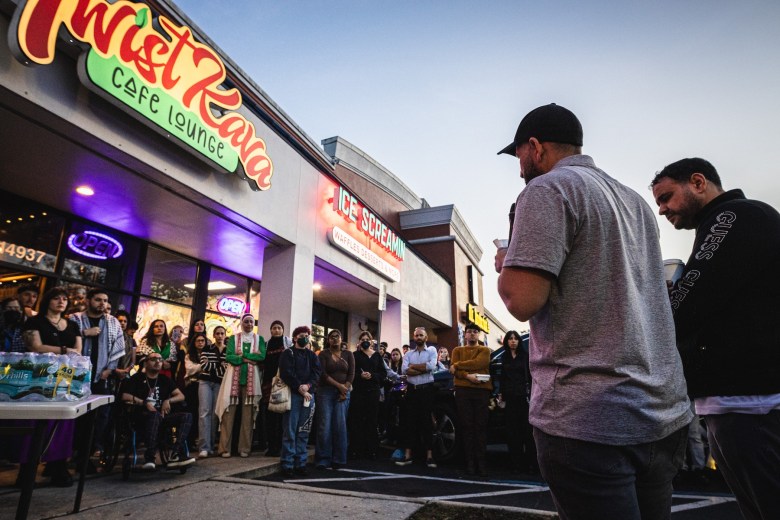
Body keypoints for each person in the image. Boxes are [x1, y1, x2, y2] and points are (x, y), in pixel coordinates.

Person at [495, 103, 692, 519]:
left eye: (519, 156)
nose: (520, 168)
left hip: (589, 419)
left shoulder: (547, 189)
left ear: (536, 147)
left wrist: (509, 261)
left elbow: (520, 300)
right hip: (661, 412)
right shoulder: (635, 202)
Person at [651, 157, 780, 520]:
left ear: (698, 182)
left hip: (751, 404)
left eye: (666, 197)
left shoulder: (732, 216)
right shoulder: (731, 221)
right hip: (745, 402)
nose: (662, 210)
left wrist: (663, 303)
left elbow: (692, 297)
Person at [20, 287, 82, 486]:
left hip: (65, 378)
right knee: (35, 422)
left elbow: (78, 350)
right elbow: (35, 347)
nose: (61, 301)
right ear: (48, 300)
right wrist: (64, 350)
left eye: (64, 299)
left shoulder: (72, 325)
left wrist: (67, 352)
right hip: (38, 377)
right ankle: (27, 468)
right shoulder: (34, 322)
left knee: (64, 422)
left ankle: (57, 466)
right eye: (56, 298)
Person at [69, 289, 125, 457]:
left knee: (100, 415)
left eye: (105, 300)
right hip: (76, 376)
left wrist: (109, 369)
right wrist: (84, 333)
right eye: (98, 299)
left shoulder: (113, 321)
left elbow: (118, 346)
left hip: (101, 375)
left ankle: (93, 448)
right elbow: (65, 340)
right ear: (88, 301)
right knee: (76, 413)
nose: (102, 303)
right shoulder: (75, 318)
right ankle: (72, 448)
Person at [121, 353, 195, 469]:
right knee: (154, 415)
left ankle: (175, 453)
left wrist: (168, 400)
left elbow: (181, 396)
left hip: (162, 416)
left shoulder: (164, 379)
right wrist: (144, 403)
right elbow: (125, 396)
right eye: (153, 359)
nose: (157, 362)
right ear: (146, 363)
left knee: (187, 416)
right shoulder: (137, 378)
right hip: (142, 417)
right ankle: (150, 457)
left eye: (160, 359)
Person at [216, 313, 265, 458]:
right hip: (232, 380)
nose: (249, 324)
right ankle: (225, 449)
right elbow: (229, 356)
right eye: (246, 322)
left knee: (248, 416)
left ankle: (245, 448)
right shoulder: (233, 338)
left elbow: (262, 356)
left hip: (251, 381)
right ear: (241, 323)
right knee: (228, 414)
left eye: (251, 322)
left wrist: (242, 356)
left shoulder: (259, 339)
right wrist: (249, 359)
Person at [278, 325, 321, 476]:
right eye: (302, 335)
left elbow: (317, 373)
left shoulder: (312, 355)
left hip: (308, 396)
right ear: (295, 338)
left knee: (304, 430)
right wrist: (300, 388)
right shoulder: (288, 353)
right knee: (290, 430)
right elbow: (286, 373)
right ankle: (287, 464)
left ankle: (300, 463)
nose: (305, 338)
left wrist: (308, 386)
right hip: (293, 395)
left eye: (307, 336)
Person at [450, 322, 492, 476]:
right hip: (463, 391)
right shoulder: (457, 350)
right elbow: (453, 371)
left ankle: (481, 463)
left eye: (475, 331)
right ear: (465, 334)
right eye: (470, 331)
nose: (472, 334)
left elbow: (479, 363)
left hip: (481, 391)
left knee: (480, 427)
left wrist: (457, 365)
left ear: (478, 334)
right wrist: (467, 376)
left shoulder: (485, 350)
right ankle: (470, 463)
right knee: (466, 426)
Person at [396, 327, 438, 468]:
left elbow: (431, 366)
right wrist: (423, 369)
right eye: (416, 335)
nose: (418, 337)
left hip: (427, 390)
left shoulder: (432, 350)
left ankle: (430, 456)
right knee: (410, 423)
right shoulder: (408, 354)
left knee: (427, 423)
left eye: (421, 335)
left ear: (426, 337)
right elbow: (404, 370)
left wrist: (413, 367)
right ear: (413, 337)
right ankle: (408, 455)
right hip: (412, 391)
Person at [497, 330, 536, 473]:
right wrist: (501, 395)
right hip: (510, 398)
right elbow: (502, 378)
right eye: (510, 339)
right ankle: (516, 464)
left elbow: (531, 377)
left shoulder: (525, 356)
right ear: (506, 341)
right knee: (513, 433)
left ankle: (531, 464)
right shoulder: (505, 357)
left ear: (519, 341)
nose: (513, 341)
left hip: (524, 398)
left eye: (515, 339)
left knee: (527, 433)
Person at [315, 329, 354, 470]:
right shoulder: (323, 354)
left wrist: (345, 389)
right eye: (332, 337)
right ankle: (323, 459)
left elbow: (351, 374)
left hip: (343, 393)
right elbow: (323, 374)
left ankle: (339, 458)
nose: (335, 339)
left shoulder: (348, 354)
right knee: (325, 425)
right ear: (328, 340)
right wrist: (340, 387)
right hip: (325, 392)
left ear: (341, 339)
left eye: (337, 336)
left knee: (340, 425)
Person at [347, 331, 385, 460]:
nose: (365, 341)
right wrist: (360, 376)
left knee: (372, 420)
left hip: (373, 392)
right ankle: (356, 449)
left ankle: (372, 450)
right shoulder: (354, 355)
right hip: (358, 392)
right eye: (362, 339)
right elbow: (350, 373)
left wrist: (372, 375)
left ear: (371, 341)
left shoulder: (377, 356)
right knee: (357, 420)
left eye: (367, 339)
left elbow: (383, 374)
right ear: (359, 342)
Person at [260, 320, 291, 457]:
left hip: (282, 384)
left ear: (283, 330)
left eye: (279, 328)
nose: (277, 330)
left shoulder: (288, 343)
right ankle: (271, 447)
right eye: (274, 328)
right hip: (268, 384)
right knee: (270, 415)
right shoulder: (266, 345)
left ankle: (281, 447)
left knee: (281, 415)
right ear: (271, 330)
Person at [196, 328, 226, 458]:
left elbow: (227, 368)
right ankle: (204, 447)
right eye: (217, 333)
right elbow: (204, 366)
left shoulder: (228, 350)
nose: (219, 336)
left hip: (219, 383)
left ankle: (211, 445)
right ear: (213, 335)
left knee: (214, 414)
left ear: (225, 335)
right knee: (204, 413)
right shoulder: (207, 348)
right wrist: (220, 365)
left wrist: (213, 365)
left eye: (222, 333)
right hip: (205, 382)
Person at [113, 310, 136, 380]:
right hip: (109, 372)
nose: (123, 323)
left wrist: (127, 370)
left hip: (125, 373)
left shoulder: (131, 340)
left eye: (125, 321)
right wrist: (116, 370)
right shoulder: (109, 336)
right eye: (120, 321)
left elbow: (133, 361)